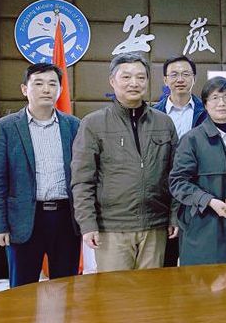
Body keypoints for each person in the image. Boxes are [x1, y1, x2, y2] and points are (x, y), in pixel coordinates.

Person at [71, 52, 179, 272]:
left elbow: (175, 175)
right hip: (112, 227)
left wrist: (174, 216)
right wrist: (87, 223)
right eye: (126, 77)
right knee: (116, 291)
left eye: (140, 77)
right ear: (112, 81)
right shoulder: (93, 123)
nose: (134, 83)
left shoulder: (164, 123)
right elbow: (82, 180)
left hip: (155, 226)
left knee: (152, 289)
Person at [0, 63, 81, 287]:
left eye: (52, 84)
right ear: (24, 89)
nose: (46, 89)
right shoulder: (5, 127)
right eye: (38, 83)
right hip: (24, 219)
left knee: (66, 288)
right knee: (22, 289)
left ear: (60, 89)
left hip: (66, 218)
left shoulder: (74, 125)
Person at [170, 76, 226, 265]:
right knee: (206, 280)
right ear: (205, 104)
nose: (221, 103)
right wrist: (208, 201)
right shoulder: (192, 139)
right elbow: (177, 182)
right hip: (204, 227)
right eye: (215, 98)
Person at [153, 55, 206, 267]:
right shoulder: (152, 114)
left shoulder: (207, 113)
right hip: (162, 197)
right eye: (174, 74)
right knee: (164, 263)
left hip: (198, 194)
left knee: (197, 264)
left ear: (194, 78)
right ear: (165, 80)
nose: (180, 79)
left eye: (186, 74)